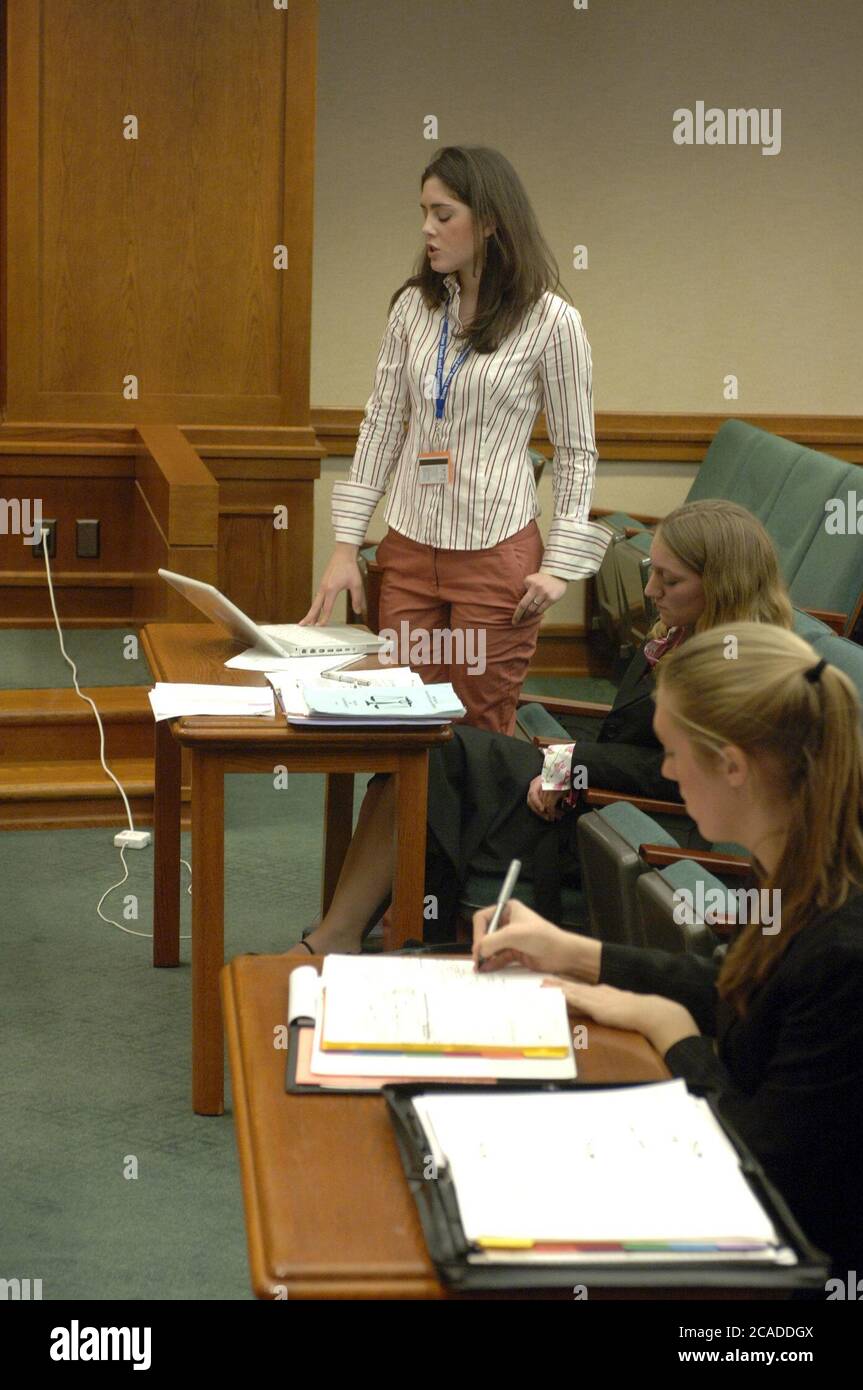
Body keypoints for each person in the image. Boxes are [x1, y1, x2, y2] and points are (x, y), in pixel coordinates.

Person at [474, 623, 863, 1276]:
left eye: (674, 751)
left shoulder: (843, 947)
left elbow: (766, 1170)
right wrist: (571, 952)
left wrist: (670, 1030)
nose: (665, 772)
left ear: (732, 766)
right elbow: (736, 990)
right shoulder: (798, 868)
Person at [292, 500, 792, 954]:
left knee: (436, 755)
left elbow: (682, 776)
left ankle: (350, 933)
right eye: (651, 572)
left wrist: (571, 762)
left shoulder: (738, 664)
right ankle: (355, 929)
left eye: (670, 580)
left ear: (723, 584)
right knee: (428, 747)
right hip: (593, 791)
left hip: (627, 824)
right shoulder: (681, 636)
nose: (650, 590)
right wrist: (568, 764)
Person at [302, 145, 610, 735]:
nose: (427, 229)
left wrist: (563, 566)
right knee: (398, 714)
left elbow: (576, 450)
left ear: (490, 221)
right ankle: (400, 831)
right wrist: (345, 547)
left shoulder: (553, 321)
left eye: (444, 214)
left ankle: (464, 831)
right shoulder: (413, 310)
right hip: (411, 549)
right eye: (423, 213)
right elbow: (382, 424)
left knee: (476, 727)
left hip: (496, 554)